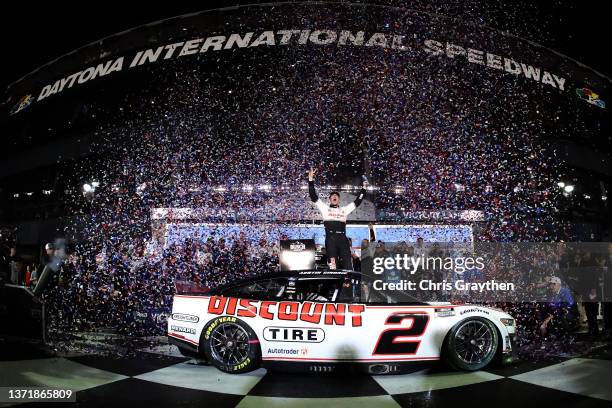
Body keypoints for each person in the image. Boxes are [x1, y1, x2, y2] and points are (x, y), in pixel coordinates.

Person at [308, 168, 367, 270]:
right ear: (330, 199)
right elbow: (313, 196)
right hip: (331, 239)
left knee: (348, 263)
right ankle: (335, 284)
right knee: (333, 265)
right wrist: (310, 180)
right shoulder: (325, 208)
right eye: (332, 196)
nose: (334, 196)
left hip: (343, 239)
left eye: (336, 196)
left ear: (339, 200)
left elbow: (358, 201)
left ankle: (349, 283)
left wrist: (364, 189)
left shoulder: (345, 209)